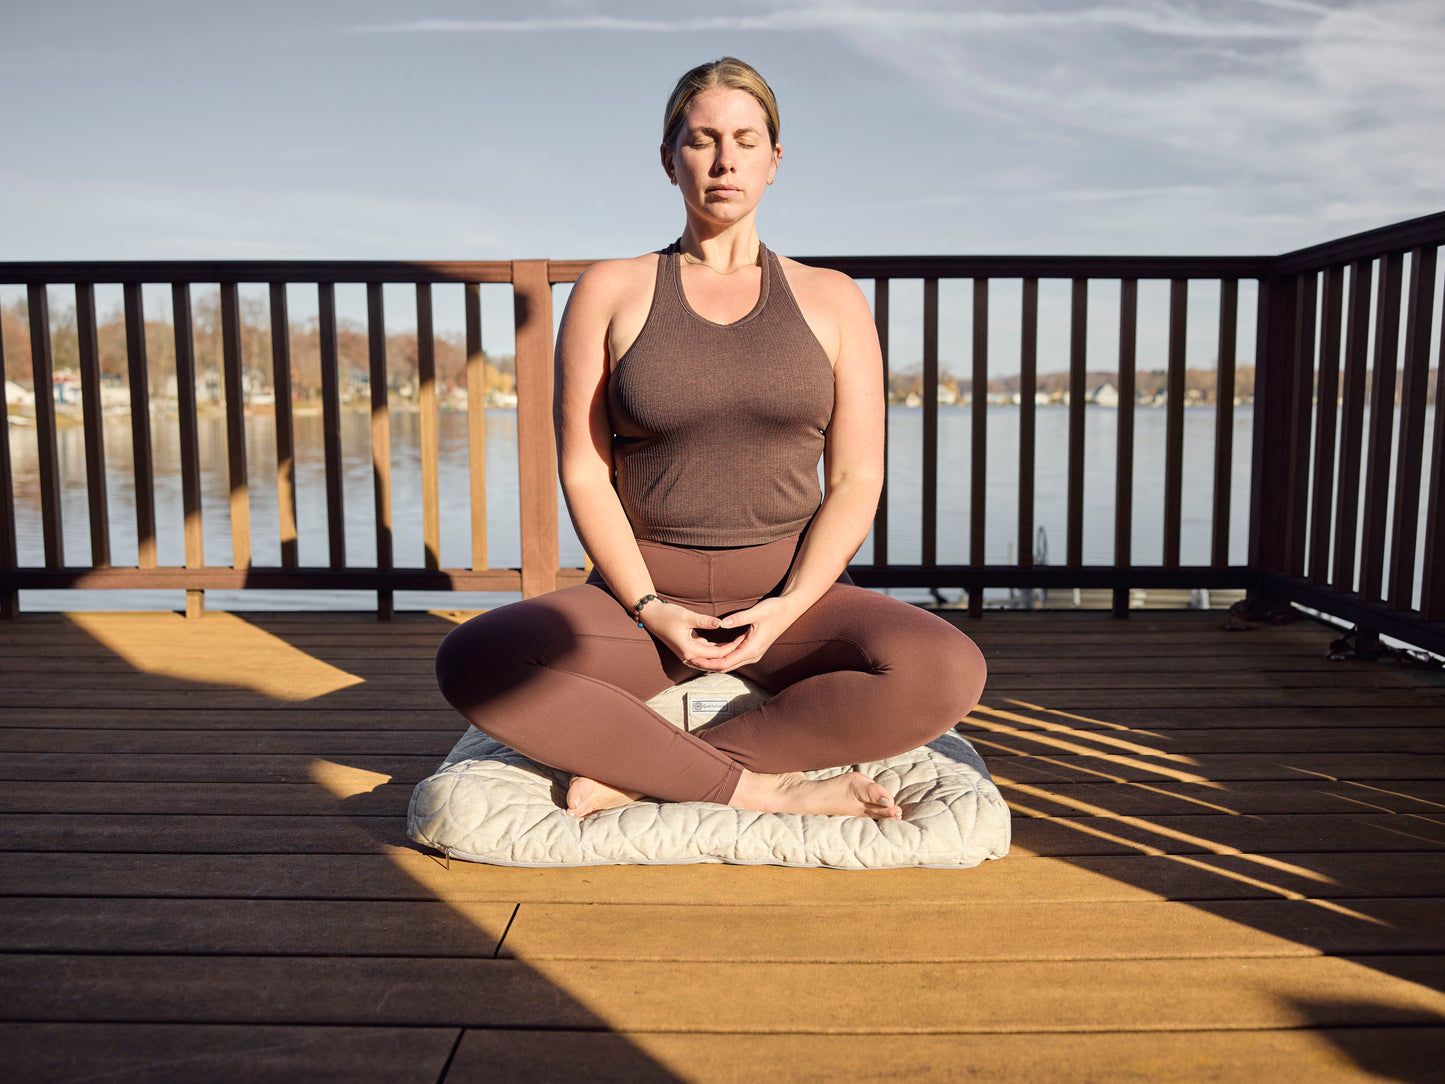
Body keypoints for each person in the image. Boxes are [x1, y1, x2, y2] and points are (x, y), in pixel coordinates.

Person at [436, 57, 986, 820]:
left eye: (744, 140)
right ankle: (758, 792)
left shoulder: (832, 299)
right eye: (701, 140)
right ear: (669, 159)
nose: (724, 160)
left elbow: (857, 479)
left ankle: (647, 771)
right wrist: (649, 606)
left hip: (791, 589)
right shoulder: (611, 289)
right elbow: (586, 474)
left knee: (942, 669)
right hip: (645, 598)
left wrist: (786, 608)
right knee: (477, 657)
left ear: (773, 161)